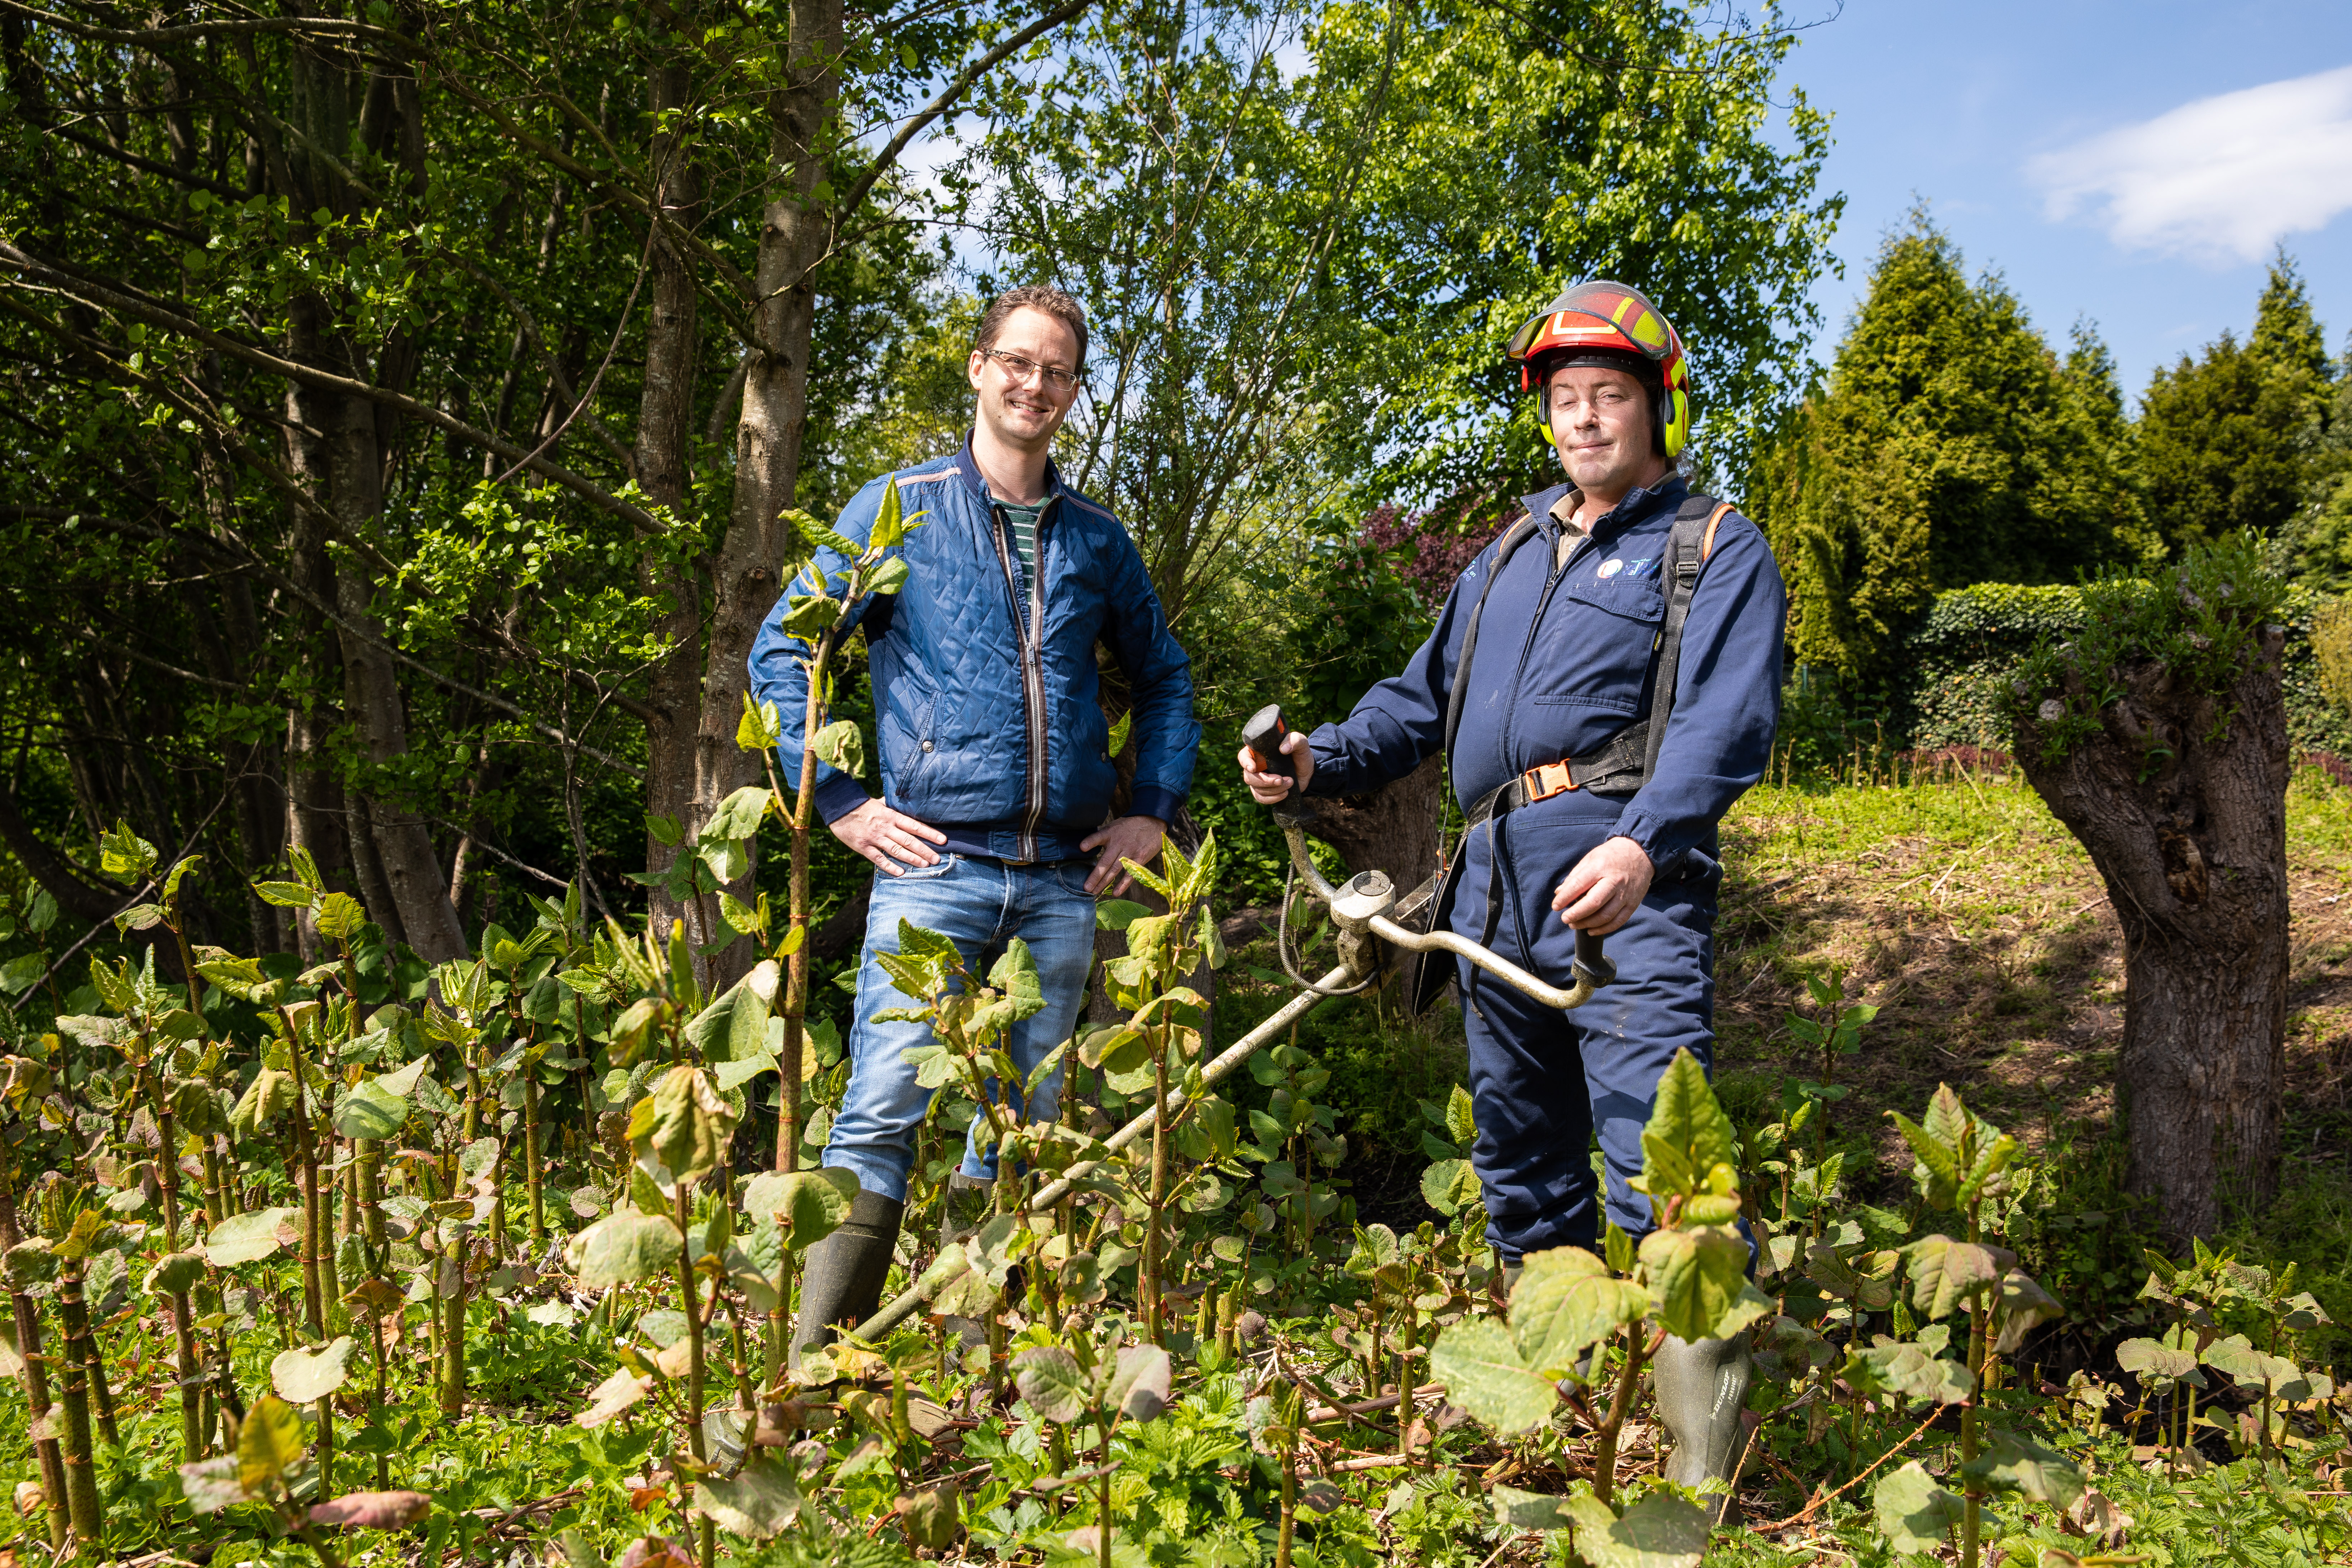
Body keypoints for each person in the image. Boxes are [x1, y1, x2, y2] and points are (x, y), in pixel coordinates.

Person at [1239, 281, 1784, 1515]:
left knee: (1665, 1160)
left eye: (1608, 398)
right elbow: (1419, 700)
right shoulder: (1506, 549)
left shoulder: (1709, 543)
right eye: (1564, 401)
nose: (1584, 421)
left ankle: (1701, 1482)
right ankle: (1563, 1421)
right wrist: (1318, 753)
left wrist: (1645, 842)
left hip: (1621, 881)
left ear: (1656, 407)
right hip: (1489, 886)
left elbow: (1724, 723)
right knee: (1522, 1155)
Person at [752, 284, 1200, 1359]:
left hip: (1060, 879)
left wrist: (1150, 811)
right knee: (882, 1113)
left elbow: (1166, 681)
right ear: (977, 367)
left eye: (1054, 372)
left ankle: (978, 1361)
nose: (1032, 385)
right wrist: (843, 805)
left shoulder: (1098, 541)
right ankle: (825, 1369)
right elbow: (783, 654)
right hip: (930, 866)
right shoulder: (893, 507)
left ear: (1073, 392)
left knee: (1023, 1129)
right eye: (1016, 363)